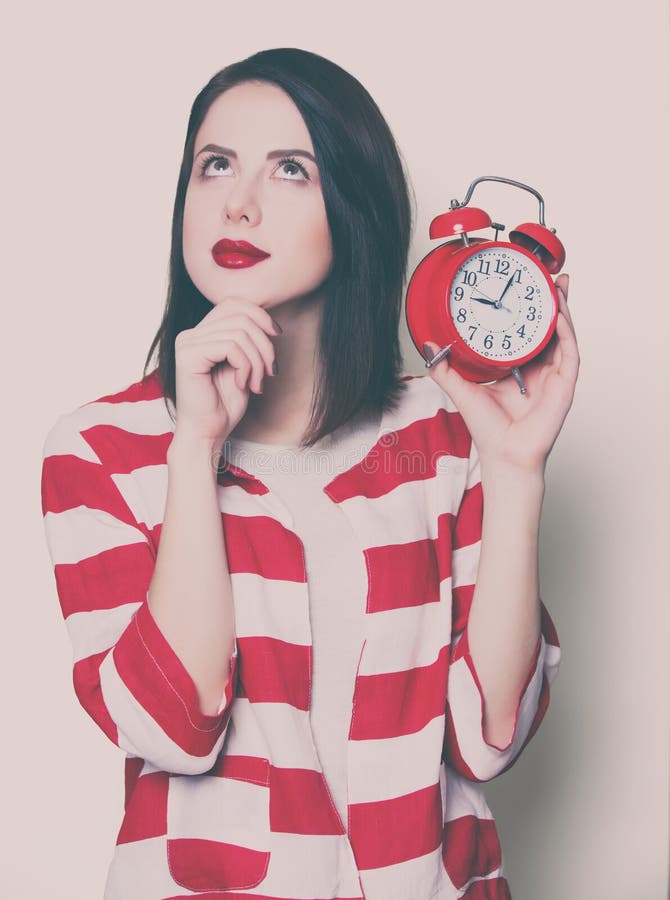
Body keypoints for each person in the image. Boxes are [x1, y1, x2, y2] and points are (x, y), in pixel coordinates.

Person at [40, 47, 578, 900]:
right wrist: (195, 450)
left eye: (292, 169)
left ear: (354, 209)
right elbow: (175, 729)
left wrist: (516, 474)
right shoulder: (106, 448)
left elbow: (490, 738)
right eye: (214, 166)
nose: (239, 203)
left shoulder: (435, 441)